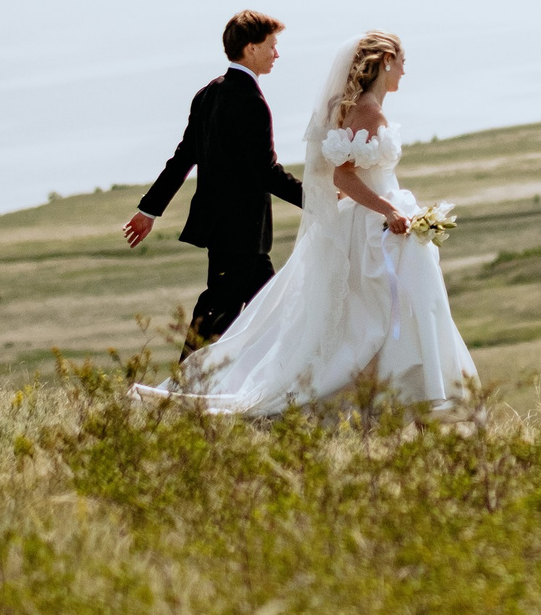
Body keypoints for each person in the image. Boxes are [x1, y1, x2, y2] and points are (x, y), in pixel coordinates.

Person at [132, 30, 479, 415]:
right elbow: (336, 175)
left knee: (305, 315)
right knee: (331, 316)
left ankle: (395, 393)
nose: (404, 70)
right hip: (358, 225)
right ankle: (389, 393)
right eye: (401, 62)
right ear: (384, 61)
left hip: (361, 219)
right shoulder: (357, 109)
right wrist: (382, 210)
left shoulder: (213, 92)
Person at [124, 9, 305, 353]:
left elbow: (182, 159)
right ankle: (183, 391)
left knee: (270, 313)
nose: (276, 53)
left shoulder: (207, 94)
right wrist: (318, 199)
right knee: (218, 319)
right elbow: (266, 171)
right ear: (251, 49)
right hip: (241, 235)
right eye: (271, 45)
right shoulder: (251, 101)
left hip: (231, 235)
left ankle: (243, 390)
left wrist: (149, 210)